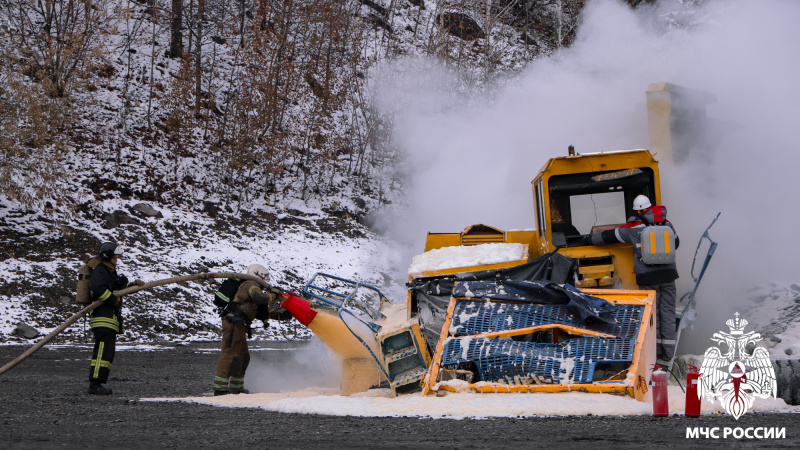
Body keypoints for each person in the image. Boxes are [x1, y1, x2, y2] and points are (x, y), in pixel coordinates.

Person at [590, 194, 680, 362]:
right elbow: (676, 244)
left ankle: (654, 354)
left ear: (638, 211)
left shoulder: (633, 227)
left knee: (652, 316)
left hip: (647, 278)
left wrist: (590, 239)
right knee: (668, 313)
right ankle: (668, 354)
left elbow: (608, 236)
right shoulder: (667, 223)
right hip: (668, 277)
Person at [213, 264, 281, 395]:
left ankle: (236, 387)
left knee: (243, 356)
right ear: (258, 274)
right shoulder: (250, 284)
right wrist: (274, 294)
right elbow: (260, 298)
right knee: (230, 354)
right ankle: (220, 388)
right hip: (233, 323)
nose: (265, 280)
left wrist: (282, 315)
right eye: (264, 277)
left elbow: (262, 311)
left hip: (240, 325)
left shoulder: (253, 287)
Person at [88, 242, 144, 395]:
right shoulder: (100, 271)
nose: (116, 260)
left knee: (107, 353)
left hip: (110, 319)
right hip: (102, 318)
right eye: (114, 257)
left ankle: (98, 382)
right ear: (107, 256)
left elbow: (119, 288)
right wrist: (114, 300)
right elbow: (99, 290)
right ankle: (94, 384)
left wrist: (133, 285)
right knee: (102, 352)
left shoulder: (110, 272)